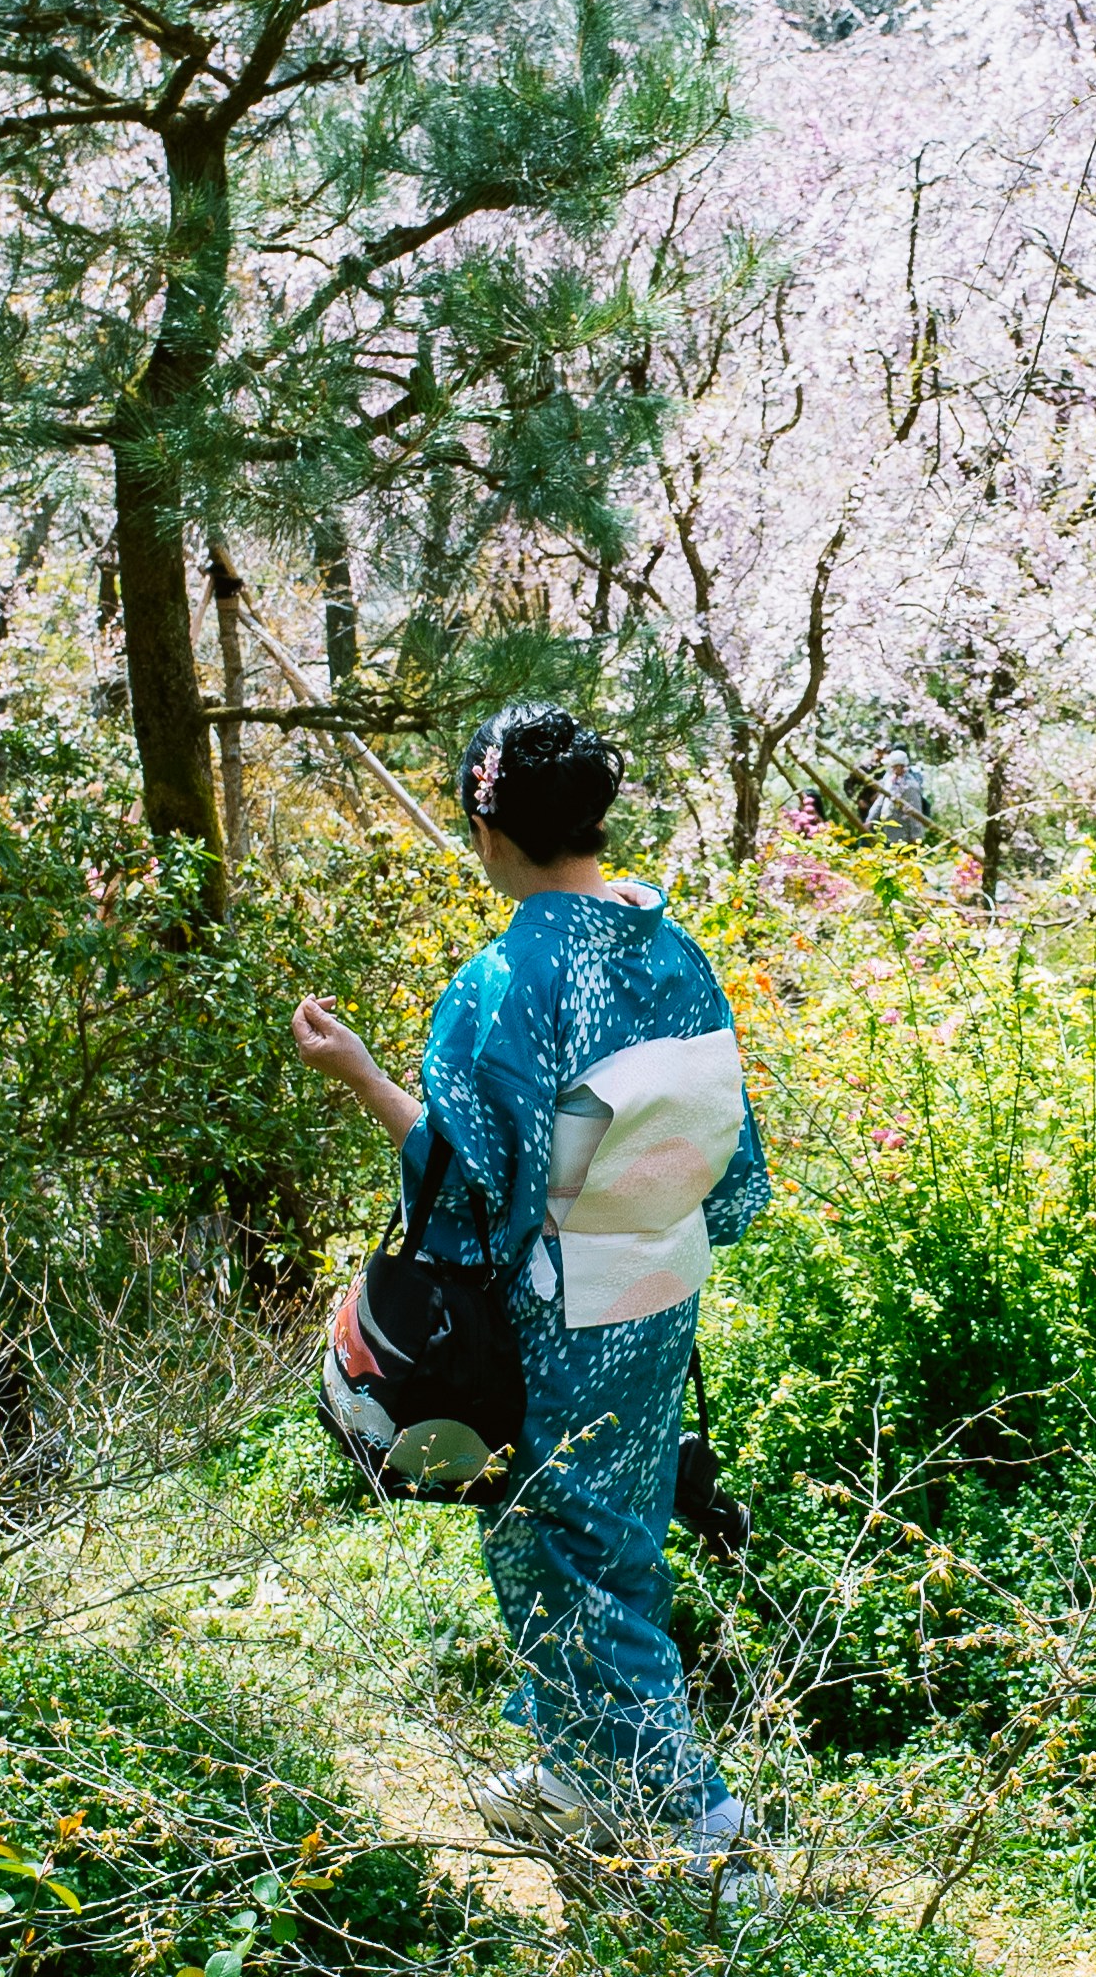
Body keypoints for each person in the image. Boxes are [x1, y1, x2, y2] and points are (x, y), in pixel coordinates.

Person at [289, 704, 770, 1866]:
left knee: (568, 1536)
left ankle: (696, 1825)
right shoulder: (664, 935)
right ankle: (571, 1766)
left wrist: (357, 1073)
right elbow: (722, 1146)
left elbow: (464, 1189)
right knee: (602, 1520)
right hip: (658, 1273)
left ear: (486, 822)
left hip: (559, 1308)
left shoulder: (504, 979)